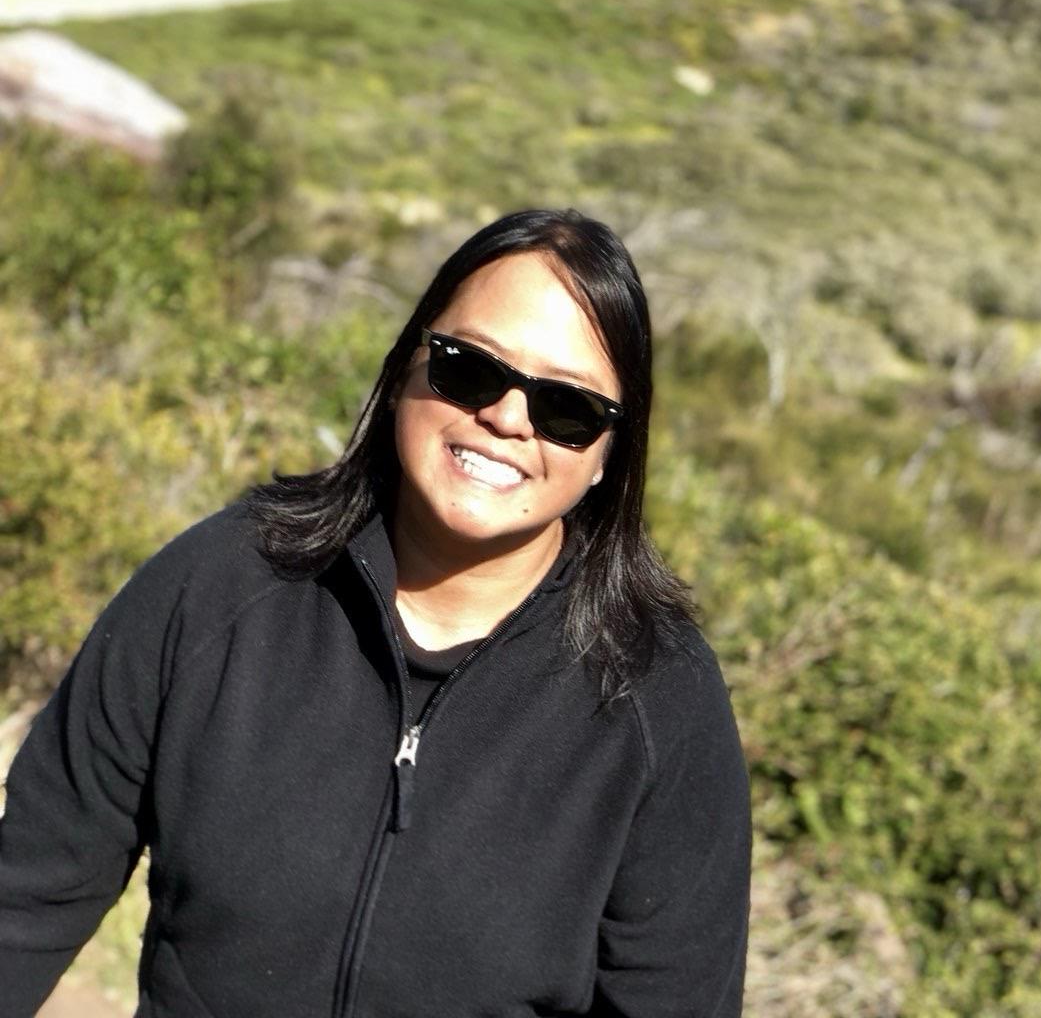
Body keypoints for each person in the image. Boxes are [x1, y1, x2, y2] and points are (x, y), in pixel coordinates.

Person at [0, 208, 751, 1016]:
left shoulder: (657, 699)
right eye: (471, 370)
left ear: (608, 457)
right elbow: (29, 895)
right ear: (406, 368)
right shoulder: (221, 586)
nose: (506, 418)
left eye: (567, 410)